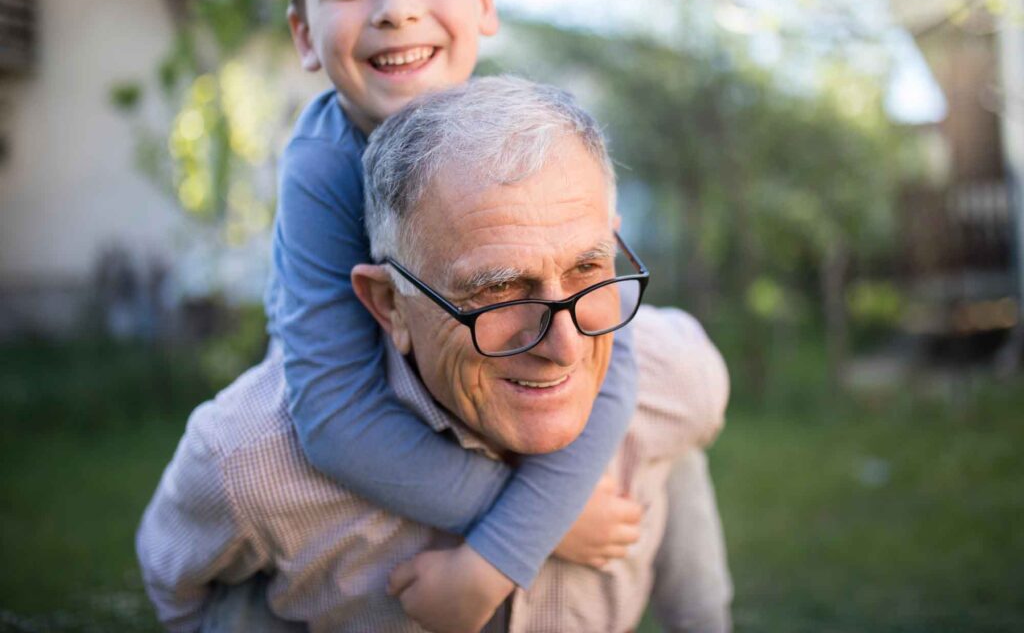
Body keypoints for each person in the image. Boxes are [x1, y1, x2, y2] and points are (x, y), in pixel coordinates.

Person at [258, 0, 701, 628]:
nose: (397, 9)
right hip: (406, 404)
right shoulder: (322, 167)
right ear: (303, 34)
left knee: (674, 425)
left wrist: (502, 548)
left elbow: (613, 361)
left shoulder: (523, 137)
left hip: (512, 374)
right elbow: (333, 414)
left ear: (484, 0)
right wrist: (528, 531)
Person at [137, 76, 732, 632]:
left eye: (587, 267)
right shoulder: (249, 462)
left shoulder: (674, 376)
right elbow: (179, 591)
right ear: (390, 305)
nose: (564, 348)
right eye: (498, 289)